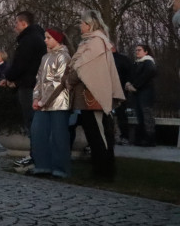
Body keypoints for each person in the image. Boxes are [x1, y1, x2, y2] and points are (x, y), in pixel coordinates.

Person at [66, 9, 125, 179]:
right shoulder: (92, 41)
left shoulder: (96, 42)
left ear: (89, 24)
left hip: (93, 95)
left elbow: (81, 67)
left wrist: (69, 79)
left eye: (82, 23)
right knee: (94, 133)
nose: (80, 26)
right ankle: (101, 168)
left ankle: (104, 171)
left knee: (98, 133)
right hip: (87, 96)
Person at [2, 11, 46, 165]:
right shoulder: (39, 37)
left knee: (32, 121)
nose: (15, 27)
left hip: (28, 85)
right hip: (34, 83)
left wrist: (9, 77)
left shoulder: (28, 40)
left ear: (23, 23)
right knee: (35, 120)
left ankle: (36, 156)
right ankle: (38, 155)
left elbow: (20, 64)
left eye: (16, 23)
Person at [29, 28, 72, 178]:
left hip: (59, 102)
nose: (45, 40)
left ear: (57, 39)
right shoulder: (45, 57)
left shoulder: (64, 57)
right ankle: (42, 166)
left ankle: (60, 168)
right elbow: (39, 79)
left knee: (58, 136)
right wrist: (36, 98)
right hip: (42, 103)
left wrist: (43, 101)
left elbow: (58, 82)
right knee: (38, 133)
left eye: (48, 38)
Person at [126, 44, 157, 146]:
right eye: (136, 50)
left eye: (139, 50)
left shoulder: (148, 62)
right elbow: (132, 75)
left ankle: (150, 140)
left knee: (147, 116)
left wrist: (135, 85)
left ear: (146, 52)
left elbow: (149, 73)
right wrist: (128, 83)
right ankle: (142, 139)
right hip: (138, 94)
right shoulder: (137, 63)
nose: (137, 52)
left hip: (146, 94)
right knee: (140, 116)